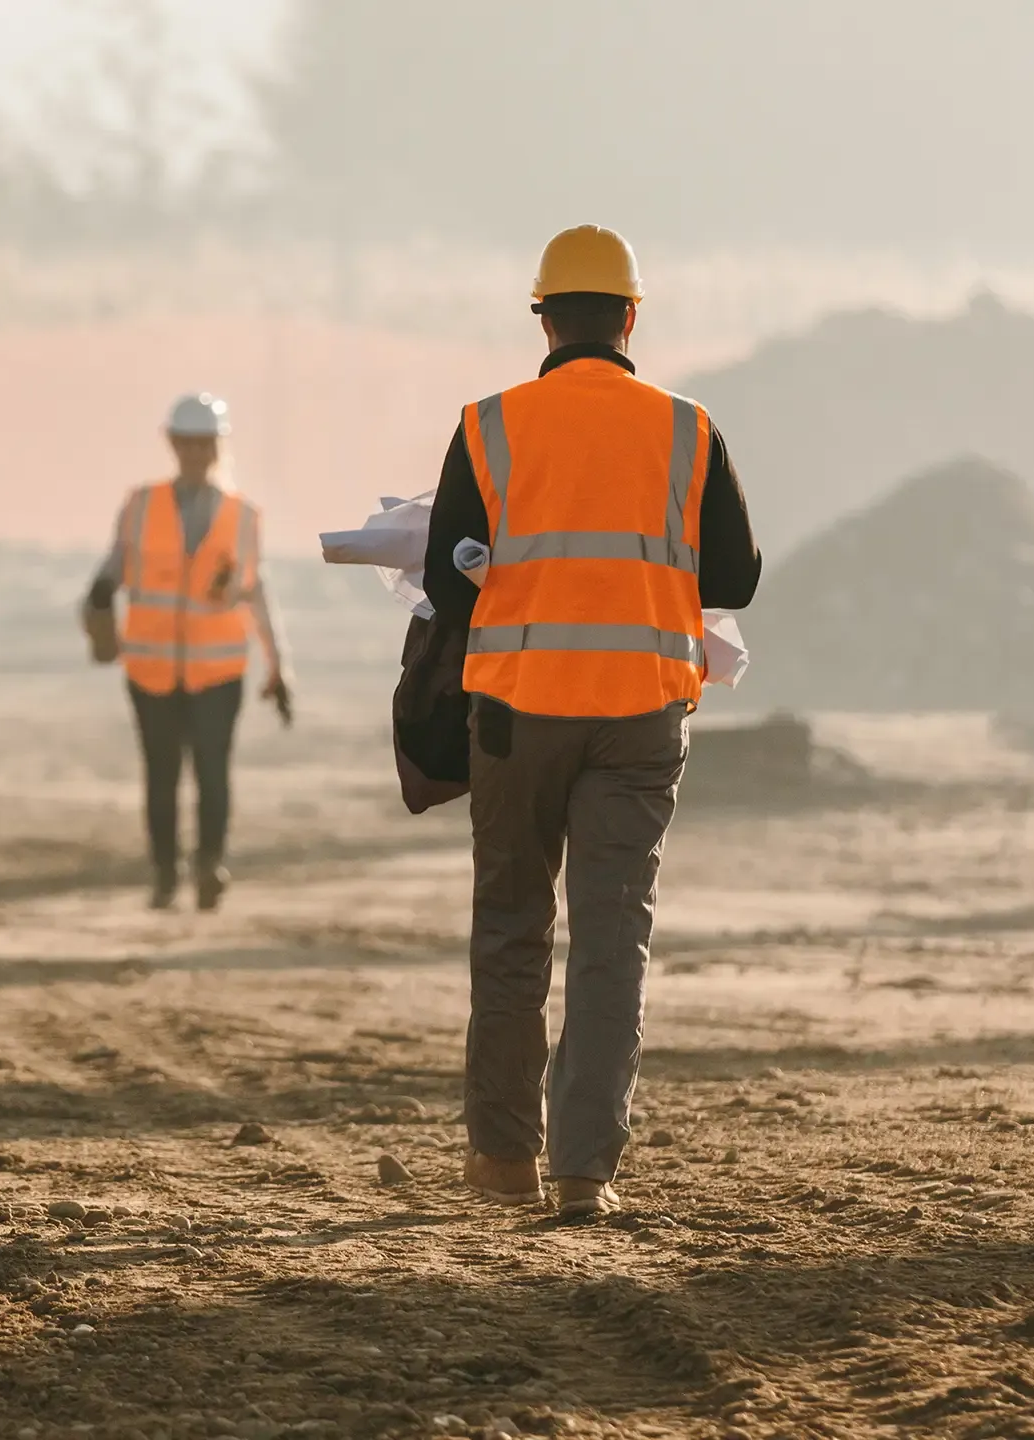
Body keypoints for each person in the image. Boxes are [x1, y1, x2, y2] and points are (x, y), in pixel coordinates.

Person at [421, 226, 761, 1218]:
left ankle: (500, 1161)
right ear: (629, 316)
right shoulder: (689, 430)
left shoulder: (488, 425)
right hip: (640, 718)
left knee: (511, 929)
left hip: (516, 716)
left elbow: (448, 580)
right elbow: (735, 576)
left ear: (541, 316)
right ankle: (581, 1173)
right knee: (612, 939)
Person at [82, 392, 292, 911]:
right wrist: (100, 596)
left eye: (206, 443)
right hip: (150, 668)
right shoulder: (141, 505)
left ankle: (208, 866)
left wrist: (278, 666)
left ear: (218, 445)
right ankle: (163, 875)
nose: (197, 453)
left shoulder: (243, 516)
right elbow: (112, 568)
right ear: (172, 443)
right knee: (161, 776)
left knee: (213, 773)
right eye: (188, 442)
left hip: (218, 670)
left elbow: (256, 591)